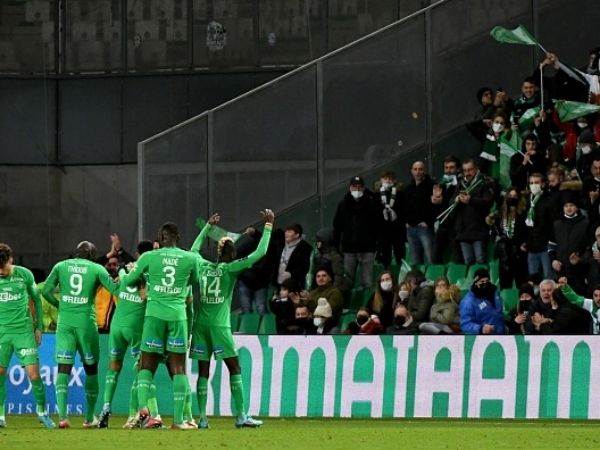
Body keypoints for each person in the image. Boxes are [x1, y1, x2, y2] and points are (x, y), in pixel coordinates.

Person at [189, 210, 274, 429]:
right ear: (234, 253)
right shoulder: (231, 269)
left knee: (204, 371)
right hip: (219, 326)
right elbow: (260, 252)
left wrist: (207, 227)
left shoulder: (203, 265)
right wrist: (268, 226)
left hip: (199, 325)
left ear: (217, 253)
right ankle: (241, 416)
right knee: (234, 368)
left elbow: (193, 250)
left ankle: (203, 419)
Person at [121, 222, 199, 430]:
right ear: (178, 237)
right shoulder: (190, 258)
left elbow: (128, 281)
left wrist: (144, 279)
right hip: (177, 316)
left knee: (146, 364)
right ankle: (180, 421)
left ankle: (143, 409)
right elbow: (195, 281)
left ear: (160, 238)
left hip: (154, 315)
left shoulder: (148, 257)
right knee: (179, 367)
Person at [42, 240, 119, 428]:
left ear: (76, 253)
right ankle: (89, 418)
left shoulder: (60, 266)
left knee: (63, 368)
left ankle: (62, 417)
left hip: (65, 323)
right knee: (91, 369)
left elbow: (45, 290)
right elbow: (116, 289)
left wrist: (61, 305)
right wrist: (123, 276)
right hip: (86, 324)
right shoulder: (96, 269)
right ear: (93, 256)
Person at [97, 240, 154, 429]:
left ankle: (105, 408)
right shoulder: (148, 276)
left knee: (113, 368)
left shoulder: (125, 271)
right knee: (142, 369)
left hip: (117, 326)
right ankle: (140, 413)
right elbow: (146, 297)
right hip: (135, 328)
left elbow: (117, 277)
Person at [0, 243, 55, 429]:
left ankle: (42, 413)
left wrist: (38, 327)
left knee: (33, 374)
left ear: (10, 260)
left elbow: (36, 301)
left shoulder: (24, 274)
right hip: (2, 333)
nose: (1, 271)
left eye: (3, 267)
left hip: (24, 332)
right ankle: (0, 416)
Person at [333, 176, 381, 289]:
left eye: (360, 187)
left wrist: (377, 244)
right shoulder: (343, 204)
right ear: (350, 188)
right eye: (355, 187)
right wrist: (337, 246)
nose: (357, 190)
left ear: (363, 188)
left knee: (367, 281)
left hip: (367, 247)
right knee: (347, 280)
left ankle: (365, 305)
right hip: (349, 248)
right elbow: (337, 226)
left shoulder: (371, 203)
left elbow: (377, 225)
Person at [452, 159, 494, 265]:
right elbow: (451, 203)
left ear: (476, 169)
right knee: (468, 261)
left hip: (478, 229)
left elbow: (487, 202)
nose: (467, 173)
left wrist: (471, 200)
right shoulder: (460, 184)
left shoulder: (483, 183)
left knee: (480, 260)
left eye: (470, 170)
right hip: (463, 231)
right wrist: (455, 200)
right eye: (465, 170)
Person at [549, 192, 590, 294]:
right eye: (566, 206)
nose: (568, 208)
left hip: (580, 271)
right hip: (561, 270)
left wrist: (580, 259)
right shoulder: (556, 224)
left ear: (577, 207)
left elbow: (589, 247)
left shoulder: (585, 223)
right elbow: (551, 246)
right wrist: (553, 260)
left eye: (571, 205)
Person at [490, 188, 528, 289]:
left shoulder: (523, 214)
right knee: (505, 284)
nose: (512, 198)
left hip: (518, 254)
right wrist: (497, 239)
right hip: (504, 255)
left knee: (522, 284)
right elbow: (494, 232)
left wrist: (522, 243)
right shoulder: (499, 214)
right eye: (510, 196)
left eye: (515, 196)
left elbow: (526, 232)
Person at [523, 173, 555, 279]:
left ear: (543, 184)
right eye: (531, 183)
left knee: (548, 277)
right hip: (532, 246)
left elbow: (551, 223)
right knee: (533, 278)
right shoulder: (528, 200)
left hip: (545, 245)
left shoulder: (549, 199)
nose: (533, 185)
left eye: (536, 182)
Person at [403, 161, 436, 264]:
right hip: (410, 229)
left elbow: (435, 207)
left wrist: (428, 221)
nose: (418, 172)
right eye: (415, 169)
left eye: (420, 169)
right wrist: (406, 222)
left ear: (424, 171)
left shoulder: (432, 186)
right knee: (415, 261)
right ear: (412, 171)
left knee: (430, 258)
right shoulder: (408, 188)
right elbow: (404, 207)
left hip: (424, 228)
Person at [431, 155, 462, 263]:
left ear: (458, 169)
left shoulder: (462, 183)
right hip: (443, 224)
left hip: (456, 225)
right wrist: (435, 200)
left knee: (457, 257)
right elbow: (437, 205)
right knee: (434, 257)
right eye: (446, 168)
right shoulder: (441, 184)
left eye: (451, 167)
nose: (448, 170)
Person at [460, 268, 504, 335]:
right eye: (482, 281)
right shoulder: (468, 301)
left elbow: (499, 313)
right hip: (482, 339)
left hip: (501, 335)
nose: (485, 283)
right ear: (476, 282)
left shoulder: (494, 293)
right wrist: (480, 328)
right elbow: (465, 325)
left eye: (487, 281)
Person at [375, 170, 405, 268]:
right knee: (385, 256)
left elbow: (403, 211)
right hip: (383, 230)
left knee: (400, 254)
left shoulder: (400, 194)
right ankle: (386, 273)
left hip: (397, 230)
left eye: (390, 179)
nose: (388, 181)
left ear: (394, 180)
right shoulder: (376, 195)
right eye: (385, 178)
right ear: (381, 180)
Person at [305, 267, 344, 333]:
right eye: (318, 276)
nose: (321, 278)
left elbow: (326, 311)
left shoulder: (335, 292)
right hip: (312, 324)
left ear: (330, 278)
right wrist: (298, 303)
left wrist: (310, 302)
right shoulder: (312, 293)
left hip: (329, 325)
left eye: (324, 276)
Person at [274, 224, 312, 289]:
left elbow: (304, 267)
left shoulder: (304, 248)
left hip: (294, 285)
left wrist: (290, 274)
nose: (286, 233)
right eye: (286, 231)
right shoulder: (281, 245)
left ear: (297, 235)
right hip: (279, 284)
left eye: (289, 232)